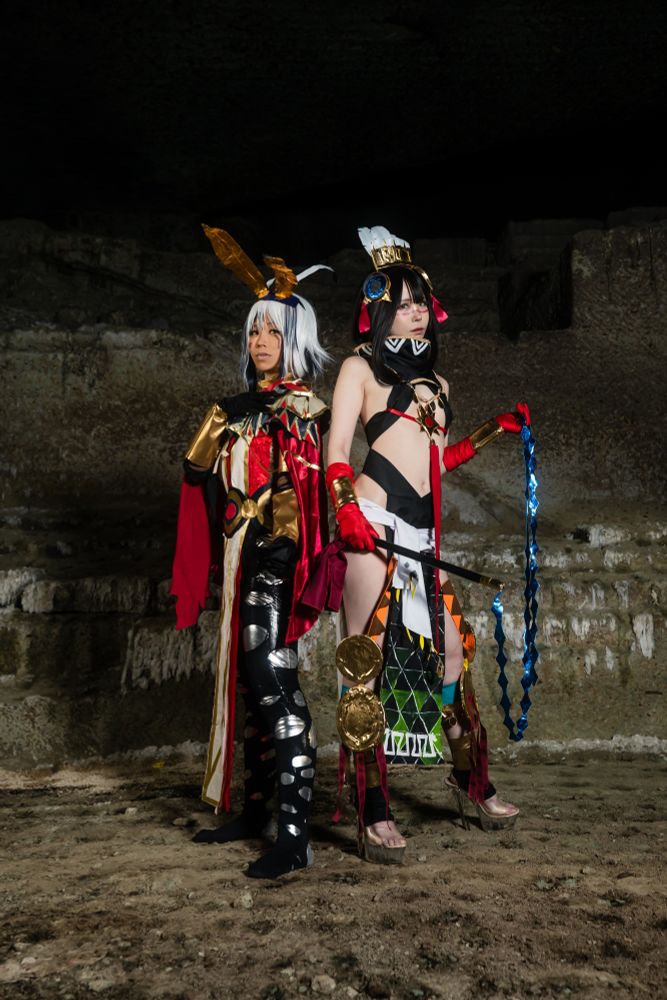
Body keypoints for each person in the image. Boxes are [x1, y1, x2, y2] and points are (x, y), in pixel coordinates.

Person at [325, 226, 528, 863]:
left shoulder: (438, 384)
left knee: (452, 658)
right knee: (367, 666)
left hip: (422, 533)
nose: (416, 311)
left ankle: (470, 782)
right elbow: (336, 449)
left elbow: (435, 465)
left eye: (421, 301)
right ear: (381, 308)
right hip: (371, 520)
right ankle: (373, 807)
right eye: (404, 301)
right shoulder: (358, 368)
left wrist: (491, 431)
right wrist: (346, 512)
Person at [171, 226, 331, 878]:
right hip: (238, 558)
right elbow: (197, 478)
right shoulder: (234, 407)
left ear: (295, 337)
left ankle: (294, 837)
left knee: (272, 679)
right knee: (247, 683)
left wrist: (281, 551)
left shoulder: (307, 410)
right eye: (254, 330)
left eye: (272, 330)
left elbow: (311, 492)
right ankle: (257, 811)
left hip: (278, 558)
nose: (260, 340)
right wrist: (216, 429)